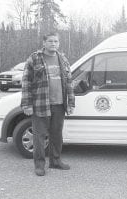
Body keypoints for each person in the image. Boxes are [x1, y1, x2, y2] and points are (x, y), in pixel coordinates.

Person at [21, 32, 75, 176]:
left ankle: (55, 161)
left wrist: (70, 103)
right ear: (44, 43)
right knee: (39, 136)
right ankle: (39, 165)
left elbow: (69, 82)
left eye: (56, 41)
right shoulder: (34, 58)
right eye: (50, 41)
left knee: (57, 135)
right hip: (40, 104)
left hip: (59, 104)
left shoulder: (63, 59)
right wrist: (27, 104)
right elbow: (26, 82)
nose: (53, 44)